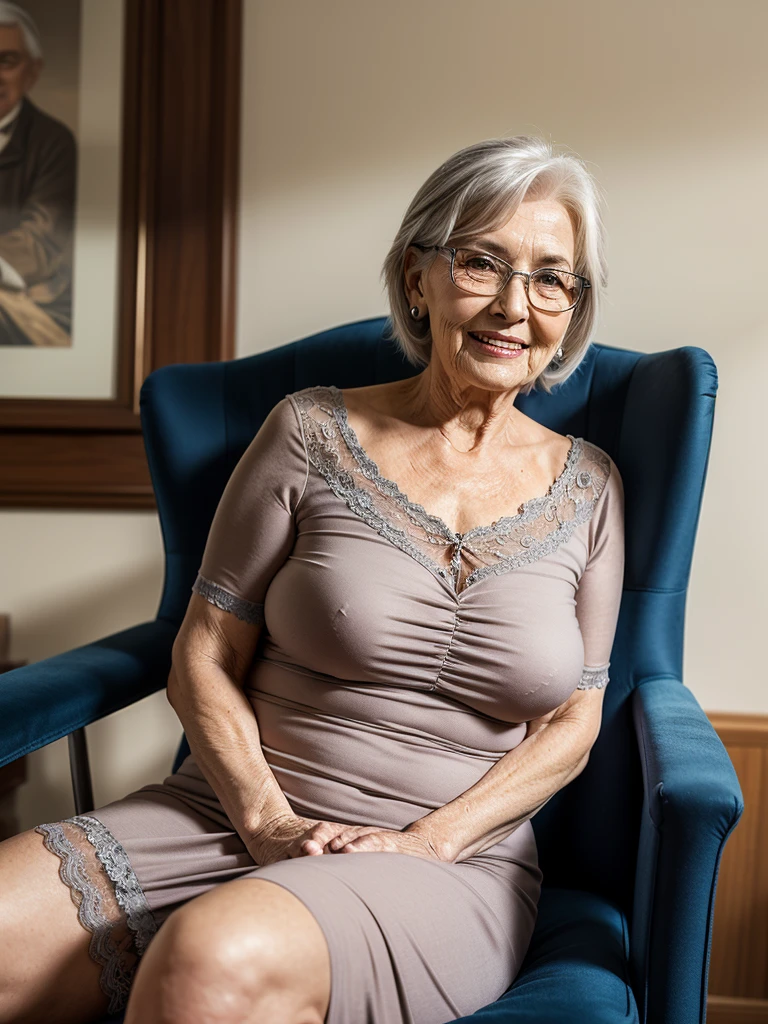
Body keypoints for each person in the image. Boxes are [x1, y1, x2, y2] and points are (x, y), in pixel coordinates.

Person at [0, 135, 625, 1024]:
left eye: (552, 277)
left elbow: (574, 720)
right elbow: (203, 652)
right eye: (482, 262)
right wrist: (267, 823)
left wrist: (427, 843)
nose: (515, 305)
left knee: (211, 959)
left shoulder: (592, 486)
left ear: (573, 305)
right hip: (230, 812)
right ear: (419, 277)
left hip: (445, 866)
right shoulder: (308, 432)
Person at [0, 2, 77, 347]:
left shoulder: (54, 142)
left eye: (6, 61)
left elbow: (40, 240)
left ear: (33, 71)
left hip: (29, 298)